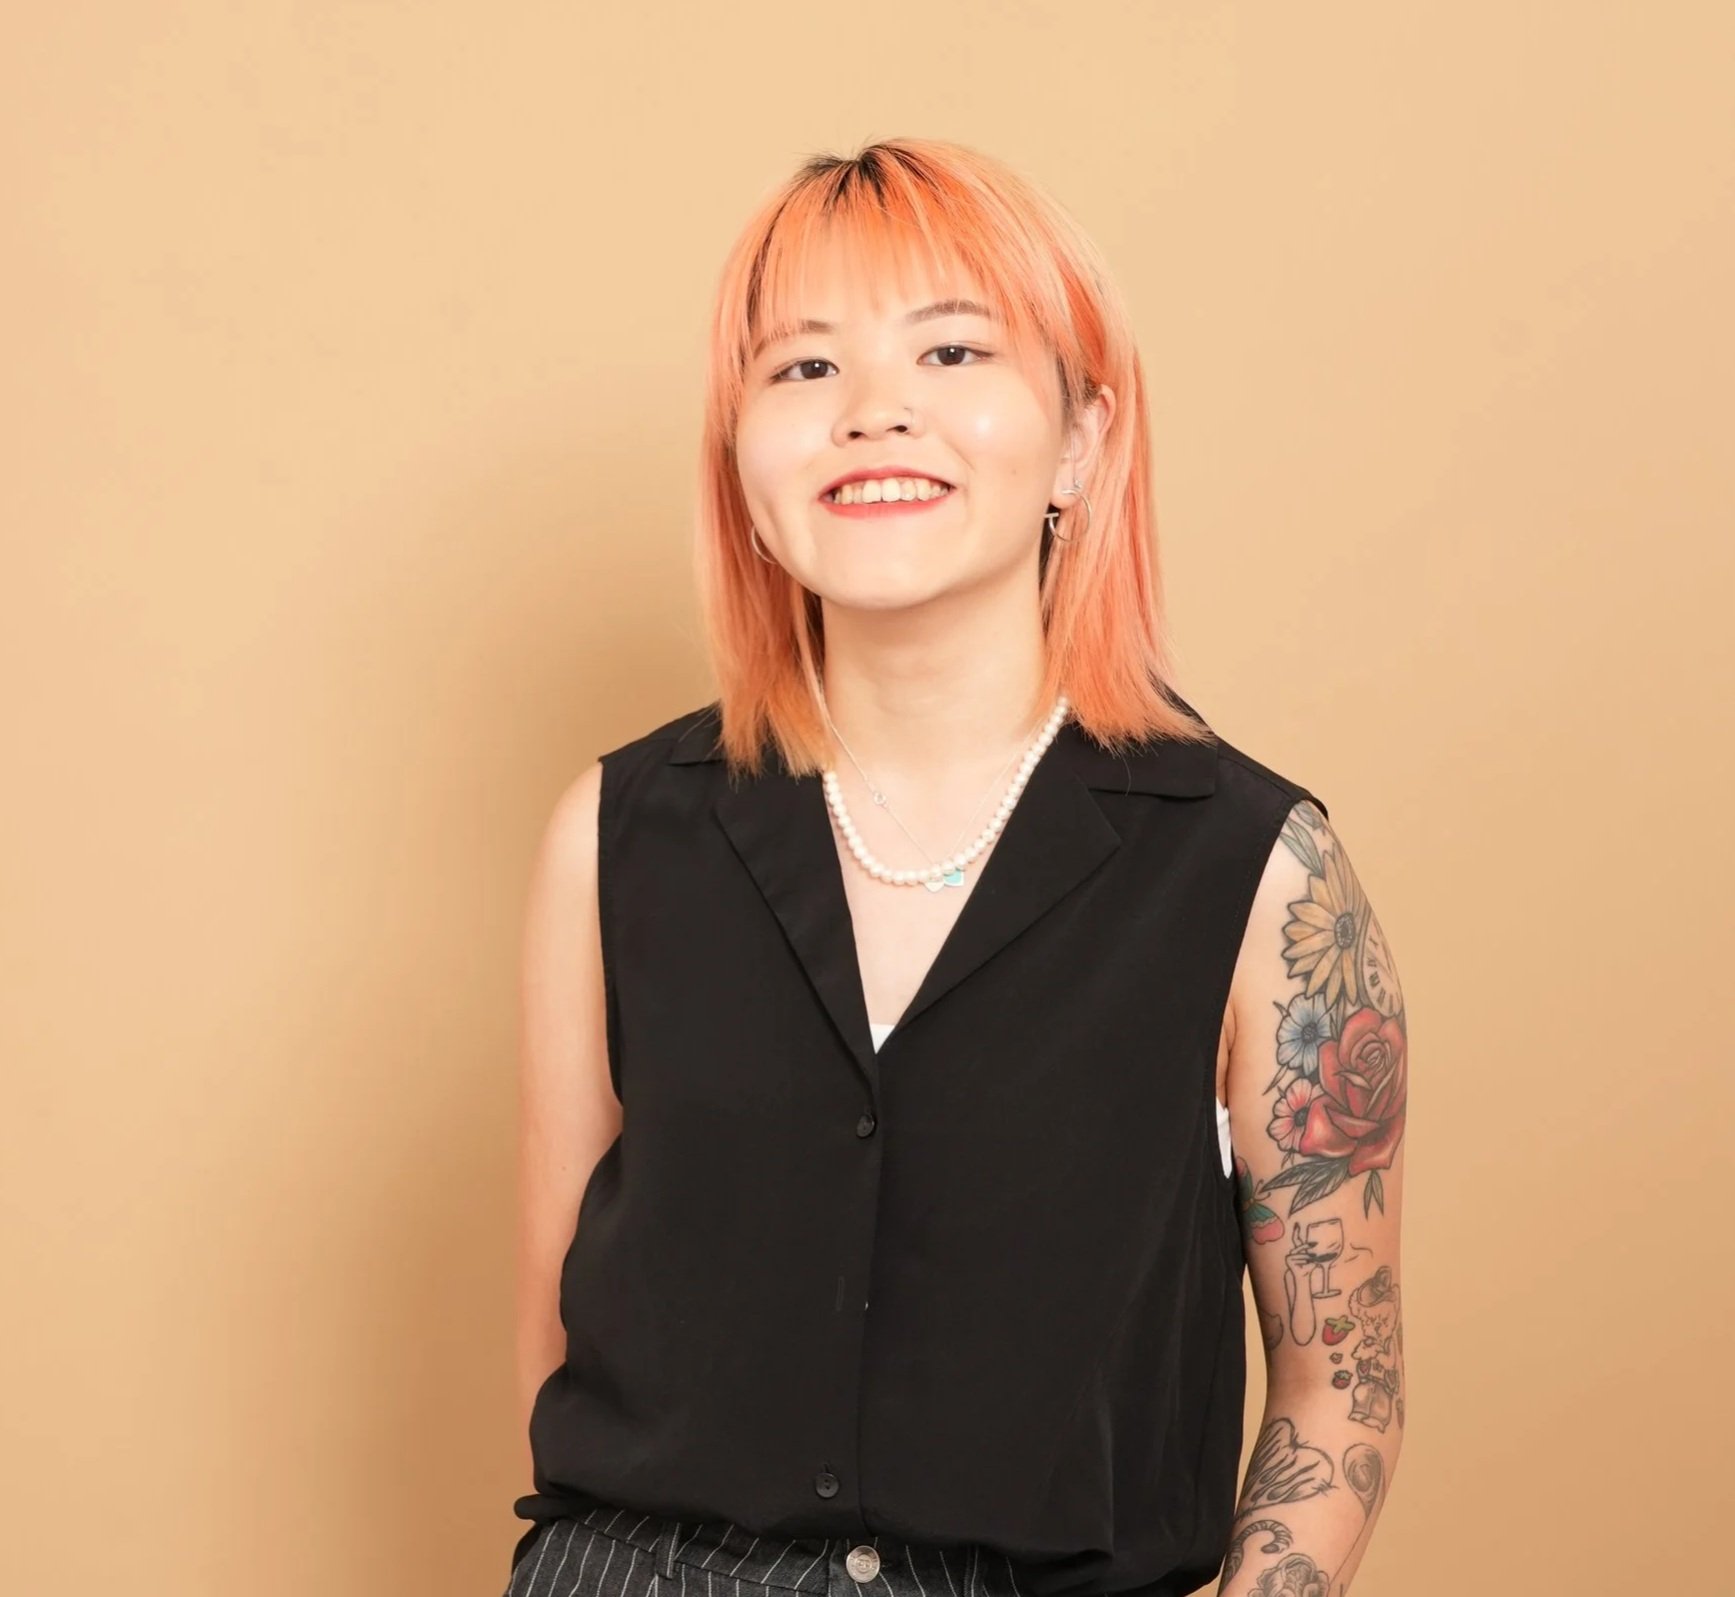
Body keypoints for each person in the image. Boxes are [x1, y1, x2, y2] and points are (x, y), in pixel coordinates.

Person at [508, 138, 1407, 1597]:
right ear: (741, 461)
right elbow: (559, 1346)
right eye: (803, 370)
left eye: (950, 350)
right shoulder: (612, 838)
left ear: (1080, 442)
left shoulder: (1259, 872)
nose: (874, 414)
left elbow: (1343, 1380)